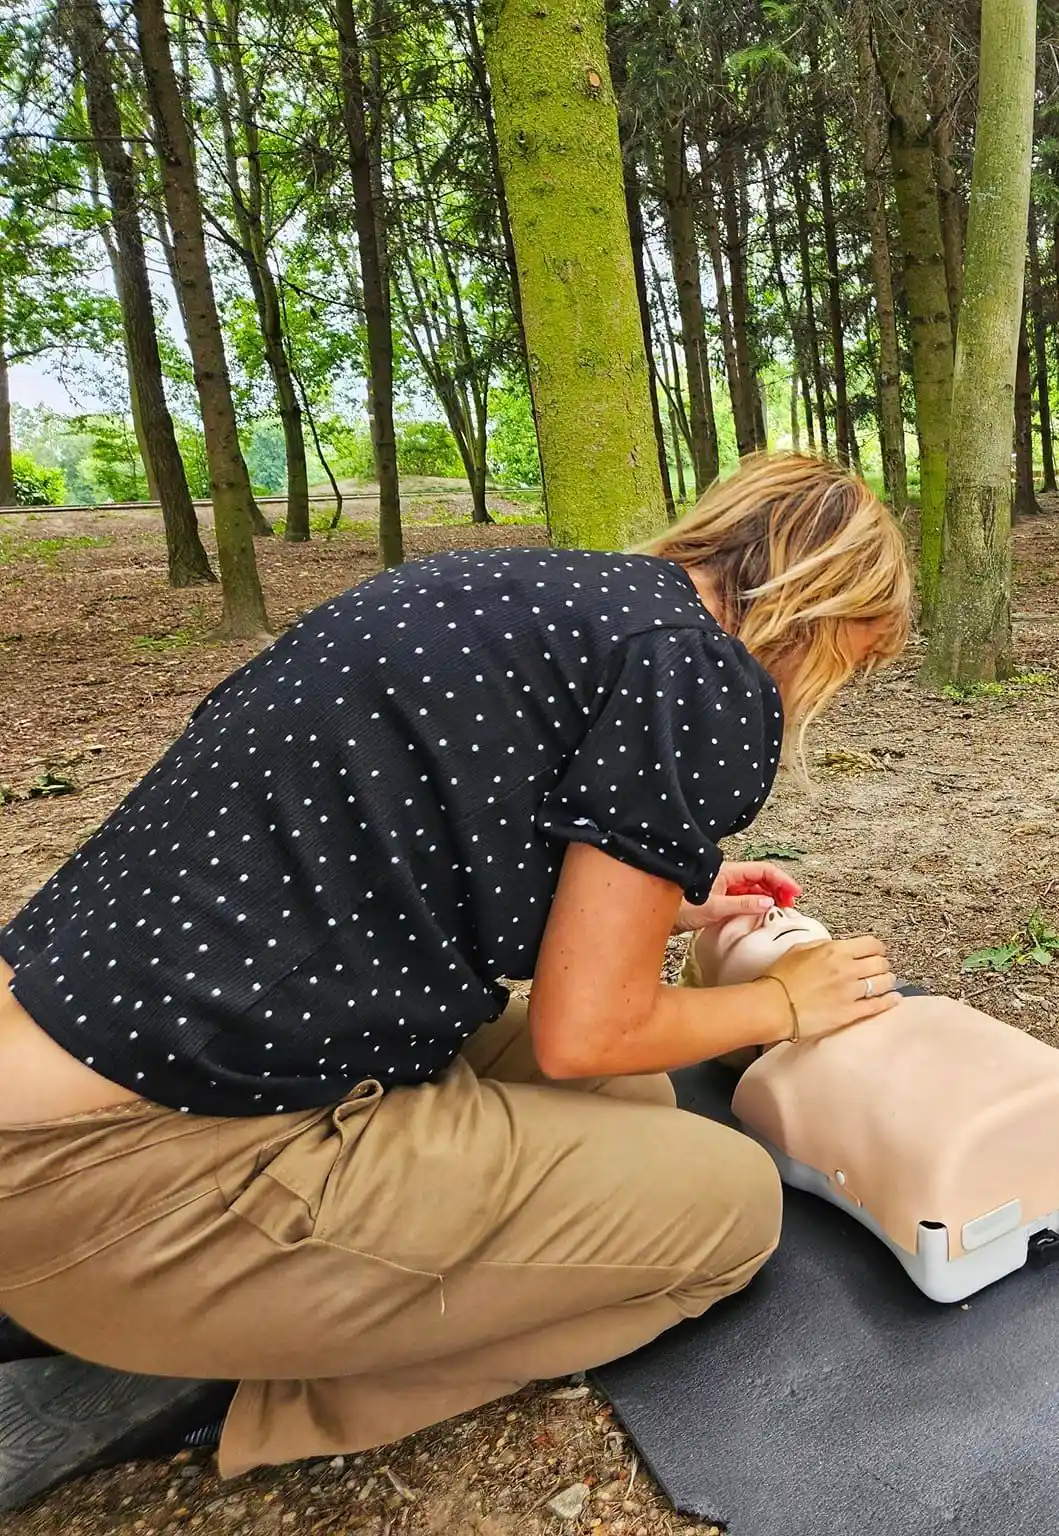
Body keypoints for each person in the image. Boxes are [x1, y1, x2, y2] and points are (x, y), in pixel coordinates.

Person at [0, 452, 911, 1509]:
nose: (833, 690)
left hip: (92, 1060)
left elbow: (430, 828)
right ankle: (224, 1381)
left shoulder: (518, 596)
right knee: (729, 1212)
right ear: (819, 610)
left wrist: (679, 888)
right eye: (855, 662)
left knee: (633, 1104)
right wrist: (786, 1001)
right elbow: (585, 1031)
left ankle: (219, 1300)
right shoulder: (705, 673)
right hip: (116, 1174)